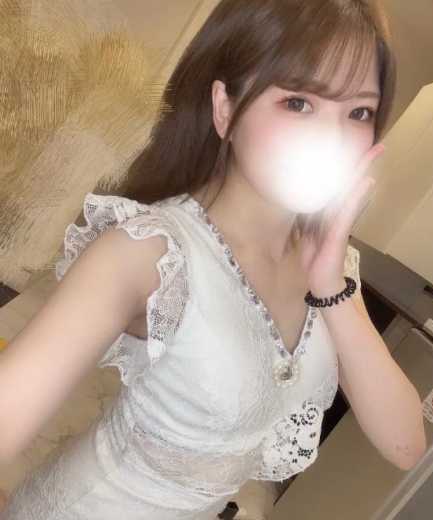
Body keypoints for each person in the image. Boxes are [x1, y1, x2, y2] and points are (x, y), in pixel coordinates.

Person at [0, 0, 396, 518]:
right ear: (225, 107)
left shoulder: (331, 267)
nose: (333, 137)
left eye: (359, 112)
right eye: (298, 102)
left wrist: (330, 284)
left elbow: (404, 443)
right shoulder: (151, 250)